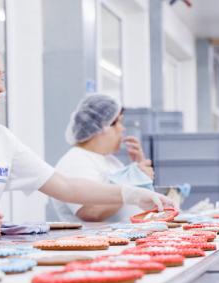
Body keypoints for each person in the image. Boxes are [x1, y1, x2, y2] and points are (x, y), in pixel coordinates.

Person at [0, 33, 173, 231]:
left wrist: (131, 194)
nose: (0, 88)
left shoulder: (0, 137)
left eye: (1, 79)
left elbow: (66, 187)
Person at [52, 94, 156, 222]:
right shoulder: (75, 161)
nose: (122, 129)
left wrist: (139, 168)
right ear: (102, 126)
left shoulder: (110, 160)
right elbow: (91, 211)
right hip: (92, 240)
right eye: (119, 122)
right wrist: (135, 180)